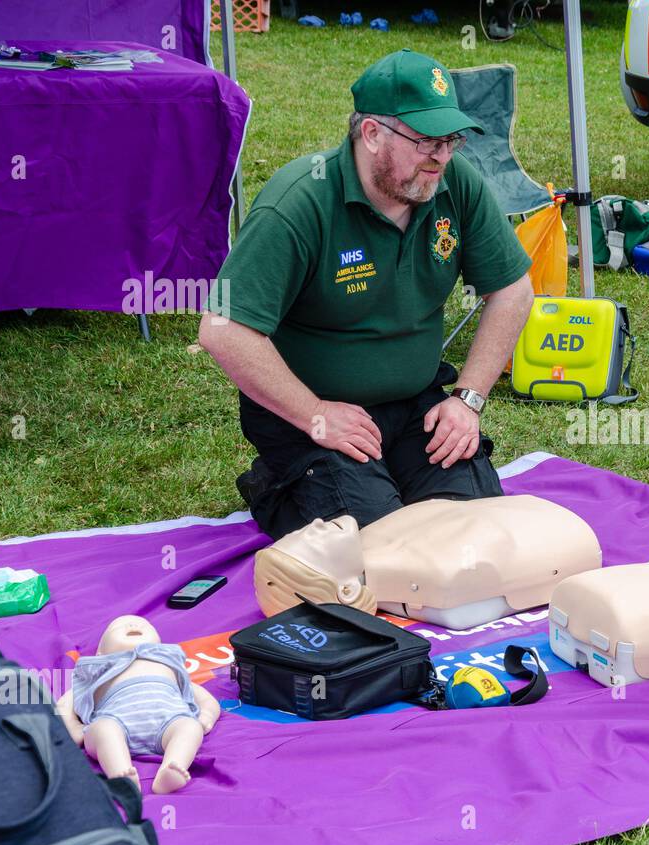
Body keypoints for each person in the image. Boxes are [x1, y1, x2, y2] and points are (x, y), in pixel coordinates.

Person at [198, 49, 534, 540]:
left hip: (416, 401)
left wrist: (467, 399)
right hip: (312, 411)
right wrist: (314, 415)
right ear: (373, 134)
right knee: (377, 545)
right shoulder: (300, 201)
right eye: (425, 141)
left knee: (476, 530)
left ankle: (382, 477)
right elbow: (223, 329)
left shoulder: (454, 184)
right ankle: (278, 485)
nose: (441, 156)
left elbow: (513, 291)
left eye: (451, 140)